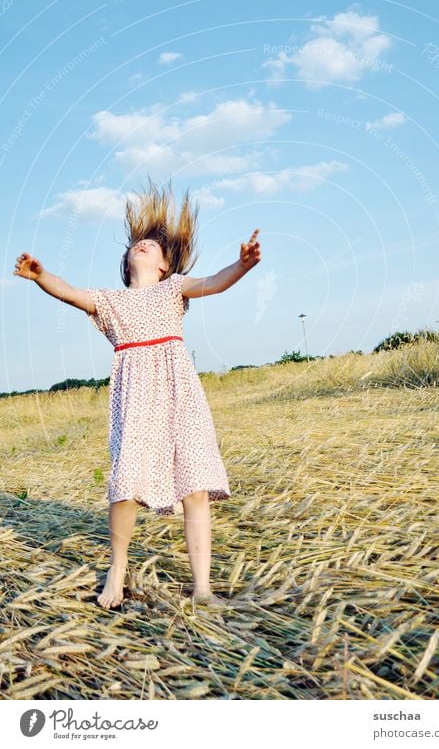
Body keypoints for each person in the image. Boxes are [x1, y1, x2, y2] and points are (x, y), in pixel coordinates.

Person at [13, 177, 261, 611]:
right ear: (128, 260)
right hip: (136, 396)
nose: (143, 245)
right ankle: (117, 570)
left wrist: (241, 266)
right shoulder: (109, 301)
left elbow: (216, 282)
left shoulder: (174, 288)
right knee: (126, 483)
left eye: (152, 245)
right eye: (137, 244)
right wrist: (40, 276)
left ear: (165, 265)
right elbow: (68, 291)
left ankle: (202, 589)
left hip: (180, 392)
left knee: (196, 485)